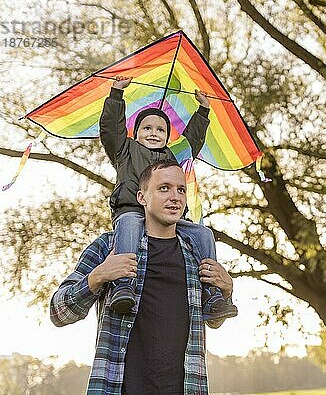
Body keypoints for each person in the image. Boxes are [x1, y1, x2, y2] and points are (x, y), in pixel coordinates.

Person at [50, 159, 233, 394]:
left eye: (181, 190)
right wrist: (98, 276)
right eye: (163, 188)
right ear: (142, 198)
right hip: (118, 388)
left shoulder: (196, 254)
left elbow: (213, 321)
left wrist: (226, 291)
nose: (175, 196)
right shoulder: (110, 247)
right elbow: (59, 312)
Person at [100, 76, 237, 320]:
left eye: (160, 130)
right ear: (135, 132)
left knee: (203, 233)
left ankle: (212, 293)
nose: (154, 133)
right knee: (129, 226)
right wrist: (116, 94)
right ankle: (122, 286)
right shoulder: (125, 150)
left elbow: (192, 139)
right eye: (147, 128)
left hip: (166, 219)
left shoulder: (173, 156)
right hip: (131, 210)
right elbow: (111, 128)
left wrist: (203, 110)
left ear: (167, 136)